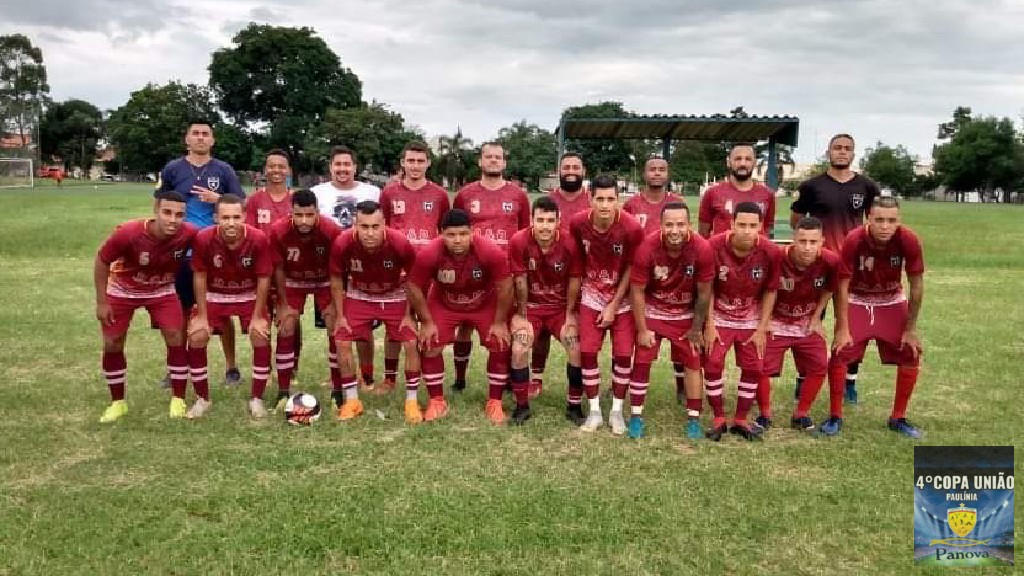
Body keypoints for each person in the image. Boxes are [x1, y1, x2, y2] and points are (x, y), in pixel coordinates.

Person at [822, 197, 925, 438]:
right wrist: (842, 327)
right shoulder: (854, 239)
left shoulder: (908, 239)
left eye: (891, 220)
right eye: (879, 220)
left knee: (910, 352)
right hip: (858, 298)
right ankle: (835, 416)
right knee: (840, 351)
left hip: (891, 299)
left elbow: (917, 285)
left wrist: (910, 329)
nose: (885, 226)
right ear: (868, 219)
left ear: (899, 220)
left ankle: (898, 417)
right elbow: (842, 285)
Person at [790, 133, 880, 404]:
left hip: (854, 268)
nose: (842, 152)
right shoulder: (812, 186)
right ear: (828, 152)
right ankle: (804, 377)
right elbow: (797, 220)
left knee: (852, 324)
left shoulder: (866, 186)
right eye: (837, 147)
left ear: (853, 153)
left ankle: (849, 380)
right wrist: (813, 247)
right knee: (809, 319)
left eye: (847, 148)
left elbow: (875, 222)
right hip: (819, 267)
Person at [155, 119, 246, 387]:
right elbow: (159, 203)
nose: (200, 137)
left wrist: (217, 199)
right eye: (195, 133)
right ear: (187, 139)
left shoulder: (223, 170)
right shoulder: (173, 169)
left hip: (216, 248)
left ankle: (231, 368)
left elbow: (240, 203)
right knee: (180, 311)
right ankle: (176, 367)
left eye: (205, 134)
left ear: (212, 140)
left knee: (221, 310)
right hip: (182, 249)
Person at [93, 191, 197, 422]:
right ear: (156, 210)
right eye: (167, 212)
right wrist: (102, 301)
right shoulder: (129, 233)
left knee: (176, 336)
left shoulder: (189, 233)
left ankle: (178, 398)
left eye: (179, 215)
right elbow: (102, 260)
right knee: (112, 342)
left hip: (162, 290)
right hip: (123, 289)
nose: (173, 220)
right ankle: (118, 402)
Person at [406, 209, 513, 424]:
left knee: (499, 341)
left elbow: (506, 285)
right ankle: (437, 401)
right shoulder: (429, 253)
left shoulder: (489, 251)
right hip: (445, 301)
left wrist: (500, 322)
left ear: (472, 232)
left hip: (483, 301)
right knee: (430, 342)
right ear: (441, 234)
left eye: (463, 234)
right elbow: (413, 286)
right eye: (451, 235)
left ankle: (495, 402)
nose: (458, 240)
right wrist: (426, 322)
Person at [329, 201, 420, 422]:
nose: (370, 233)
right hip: (360, 294)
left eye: (375, 227)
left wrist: (409, 314)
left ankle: (411, 402)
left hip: (394, 294)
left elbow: (413, 278)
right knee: (341, 340)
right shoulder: (343, 242)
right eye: (364, 226)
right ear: (355, 225)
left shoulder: (399, 242)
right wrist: (340, 315)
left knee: (410, 342)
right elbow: (336, 278)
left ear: (384, 224)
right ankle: (352, 401)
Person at [629, 201, 713, 439]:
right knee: (642, 360)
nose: (674, 230)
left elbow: (704, 293)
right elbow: (637, 290)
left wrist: (696, 328)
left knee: (693, 363)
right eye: (669, 225)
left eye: (680, 225)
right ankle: (636, 415)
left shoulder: (702, 248)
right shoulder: (647, 247)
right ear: (661, 225)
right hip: (654, 311)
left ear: (689, 225)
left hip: (684, 314)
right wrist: (642, 329)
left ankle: (694, 418)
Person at [451, 142, 530, 392]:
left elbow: (525, 234)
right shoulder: (465, 195)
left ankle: (505, 378)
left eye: (498, 157)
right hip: (471, 270)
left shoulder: (518, 195)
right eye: (489, 156)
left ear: (504, 162)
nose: (493, 160)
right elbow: (456, 231)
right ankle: (460, 378)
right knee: (464, 324)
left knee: (503, 323)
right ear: (480, 161)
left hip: (505, 272)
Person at [569, 174, 644, 435]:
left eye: (610, 199)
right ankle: (594, 411)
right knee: (588, 353)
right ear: (590, 199)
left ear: (618, 200)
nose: (605, 205)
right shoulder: (578, 223)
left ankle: (616, 411)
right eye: (599, 199)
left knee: (623, 355)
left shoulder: (631, 228)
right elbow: (578, 262)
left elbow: (632, 267)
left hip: (622, 299)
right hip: (591, 294)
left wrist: (613, 304)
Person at [186, 194, 273, 418]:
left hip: (248, 294)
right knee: (197, 335)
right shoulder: (204, 238)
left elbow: (264, 277)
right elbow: (199, 275)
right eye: (225, 217)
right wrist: (202, 315)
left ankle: (256, 398)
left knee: (260, 334)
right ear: (216, 217)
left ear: (244, 216)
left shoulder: (258, 238)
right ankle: (202, 399)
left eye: (236, 217)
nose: (231, 223)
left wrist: (257, 317)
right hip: (215, 294)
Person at [752, 217, 841, 432]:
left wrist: (816, 317)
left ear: (822, 241)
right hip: (776, 321)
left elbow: (829, 289)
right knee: (760, 366)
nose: (807, 247)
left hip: (805, 322)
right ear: (793, 239)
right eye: (802, 241)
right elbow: (762, 289)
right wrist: (764, 322)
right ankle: (764, 414)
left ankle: (801, 414)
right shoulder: (777, 258)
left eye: (813, 242)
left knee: (819, 366)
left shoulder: (831, 261)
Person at [703, 201, 782, 441]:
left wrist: (762, 327)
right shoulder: (713, 246)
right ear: (732, 224)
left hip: (751, 318)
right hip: (720, 315)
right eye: (742, 225)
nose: (747, 231)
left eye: (752, 226)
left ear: (761, 226)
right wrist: (709, 324)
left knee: (753, 368)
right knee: (713, 364)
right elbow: (707, 288)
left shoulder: (771, 252)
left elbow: (770, 290)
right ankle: (718, 418)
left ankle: (741, 419)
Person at [378, 141, 450, 394]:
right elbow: (383, 228)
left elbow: (445, 232)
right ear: (403, 163)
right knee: (395, 326)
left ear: (428, 163)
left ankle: (422, 374)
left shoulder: (439, 195)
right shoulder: (389, 193)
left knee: (428, 323)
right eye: (411, 161)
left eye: (420, 161)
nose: (415, 166)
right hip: (397, 270)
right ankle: (389, 378)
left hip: (429, 270)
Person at [507, 197, 584, 425]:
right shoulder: (519, 241)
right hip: (531, 307)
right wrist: (521, 316)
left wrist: (570, 314)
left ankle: (574, 406)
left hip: (559, 308)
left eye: (550, 221)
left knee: (576, 348)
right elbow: (519, 280)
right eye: (540, 220)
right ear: (532, 220)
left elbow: (575, 279)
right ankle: (522, 406)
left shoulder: (570, 243)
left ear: (558, 221)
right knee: (519, 348)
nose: (545, 226)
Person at [310, 145, 381, 387]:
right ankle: (340, 373)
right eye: (338, 164)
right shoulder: (317, 192)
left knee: (364, 325)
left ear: (355, 167)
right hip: (329, 266)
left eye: (347, 164)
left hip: (365, 267)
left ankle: (367, 375)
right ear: (330, 167)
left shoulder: (372, 192)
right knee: (335, 322)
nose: (343, 169)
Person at [267, 189, 343, 414]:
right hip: (292, 281)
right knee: (286, 326)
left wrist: (336, 305)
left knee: (334, 326)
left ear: (317, 212)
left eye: (309, 215)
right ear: (291, 213)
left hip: (324, 280)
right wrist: (282, 305)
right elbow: (279, 269)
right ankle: (283, 391)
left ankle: (337, 391)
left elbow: (338, 270)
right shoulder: (278, 231)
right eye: (298, 215)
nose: (304, 221)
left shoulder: (331, 230)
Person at [623, 157, 690, 404]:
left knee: (679, 335)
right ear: (644, 173)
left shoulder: (677, 202)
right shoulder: (631, 204)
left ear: (668, 174)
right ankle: (621, 381)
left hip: (672, 276)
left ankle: (682, 386)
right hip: (641, 275)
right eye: (652, 169)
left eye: (662, 169)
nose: (657, 173)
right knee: (633, 334)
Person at [531, 151, 590, 400]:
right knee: (541, 332)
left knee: (578, 332)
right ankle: (536, 378)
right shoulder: (549, 200)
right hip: (546, 273)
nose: (571, 171)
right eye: (566, 167)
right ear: (559, 171)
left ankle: (582, 382)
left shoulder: (593, 200)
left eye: (576, 167)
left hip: (582, 275)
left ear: (583, 171)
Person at [698, 144, 775, 238]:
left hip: (755, 248)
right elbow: (703, 233)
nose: (743, 164)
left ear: (754, 163)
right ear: (728, 162)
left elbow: (766, 228)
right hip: (721, 247)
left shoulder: (767, 194)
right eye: (738, 159)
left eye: (748, 159)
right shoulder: (712, 193)